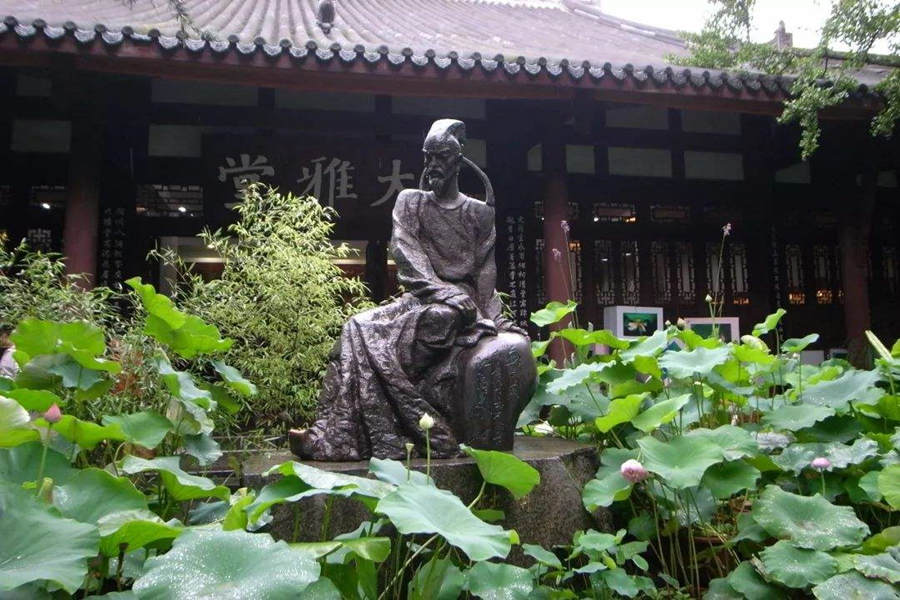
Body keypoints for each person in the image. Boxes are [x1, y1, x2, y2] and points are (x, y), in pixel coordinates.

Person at [292, 119, 532, 460]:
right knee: (357, 327)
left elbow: (484, 268)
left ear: (458, 161)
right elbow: (405, 251)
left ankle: (390, 408)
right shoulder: (410, 201)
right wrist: (439, 290)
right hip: (424, 297)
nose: (433, 166)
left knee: (442, 319)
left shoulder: (479, 212)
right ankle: (334, 432)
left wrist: (491, 318)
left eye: (441, 158)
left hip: (461, 308)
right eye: (428, 158)